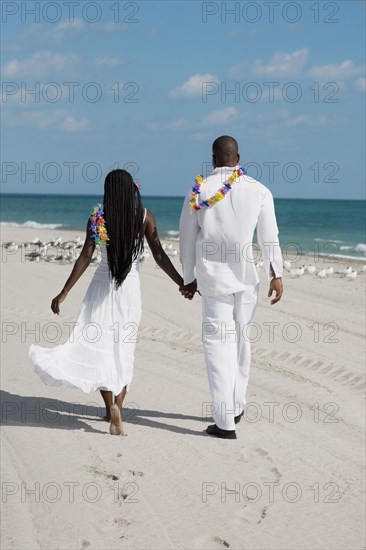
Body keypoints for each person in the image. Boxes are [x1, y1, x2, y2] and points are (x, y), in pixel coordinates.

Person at [29, 169, 188, 435]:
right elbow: (159, 254)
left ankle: (108, 408)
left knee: (99, 346)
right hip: (129, 290)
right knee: (123, 348)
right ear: (132, 190)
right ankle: (119, 406)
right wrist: (181, 282)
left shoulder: (97, 218)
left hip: (101, 286)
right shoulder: (145, 216)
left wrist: (64, 291)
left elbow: (84, 256)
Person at [179, 136, 283, 440]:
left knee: (217, 344)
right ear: (238, 157)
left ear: (213, 160)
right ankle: (236, 406)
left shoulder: (198, 190)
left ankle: (225, 421)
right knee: (240, 340)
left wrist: (188, 277)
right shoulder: (259, 190)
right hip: (247, 278)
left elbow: (187, 239)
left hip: (213, 279)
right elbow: (269, 236)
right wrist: (276, 273)